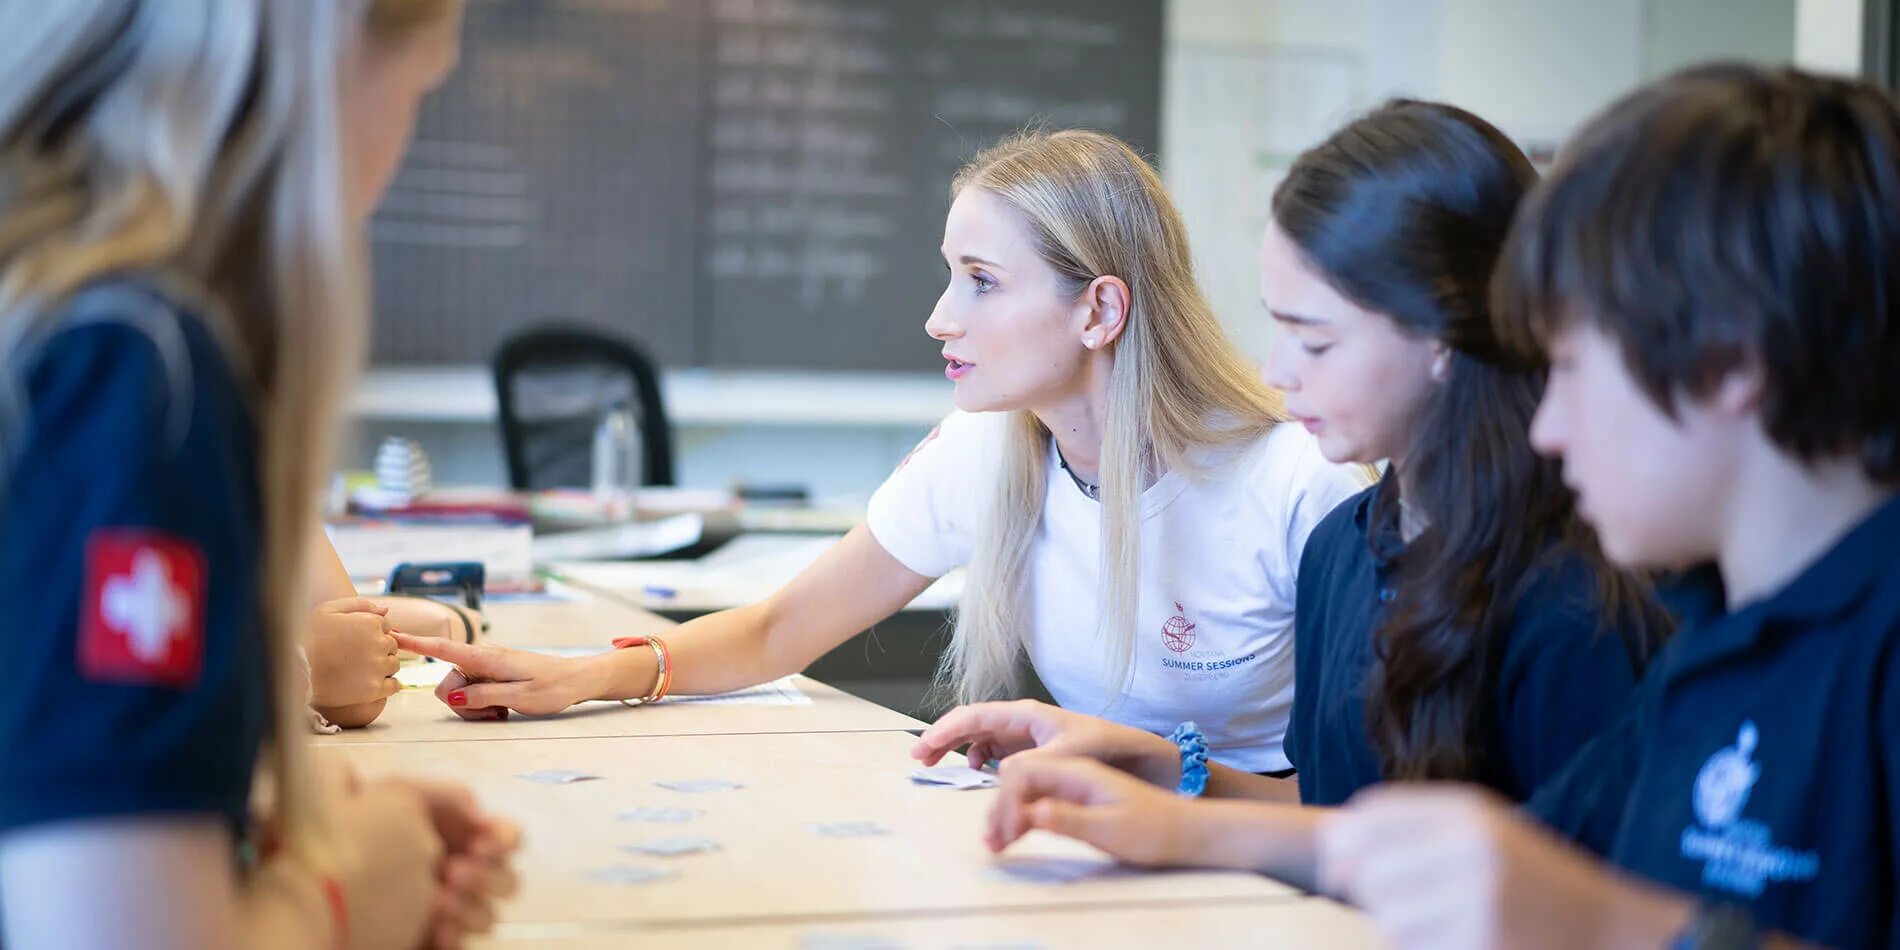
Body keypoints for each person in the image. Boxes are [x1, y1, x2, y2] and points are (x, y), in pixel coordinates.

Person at [400, 129, 1366, 775]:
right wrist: (582, 676)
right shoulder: (987, 450)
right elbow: (781, 631)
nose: (941, 318)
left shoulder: (1299, 484)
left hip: (1264, 866)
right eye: (952, 277)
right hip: (1100, 833)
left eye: (982, 282)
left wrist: (1147, 779)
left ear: (1100, 309)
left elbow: (1361, 804)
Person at [915, 102, 1667, 888]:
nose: (1277, 372)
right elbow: (1330, 812)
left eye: (1315, 339)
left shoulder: (1571, 598)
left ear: (1443, 336)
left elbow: (1589, 898)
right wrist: (1151, 763)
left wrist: (1188, 832)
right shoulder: (1347, 545)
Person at [1317, 64, 1900, 949]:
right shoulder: (1713, 635)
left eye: (1577, 371)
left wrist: (1605, 925)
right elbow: (1518, 856)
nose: (1546, 427)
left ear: (1730, 363)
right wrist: (1182, 821)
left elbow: (1574, 900)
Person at [0, 2, 516, 946]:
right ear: (328, 71)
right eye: (419, 91)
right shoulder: (138, 371)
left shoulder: (50, 316)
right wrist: (352, 887)